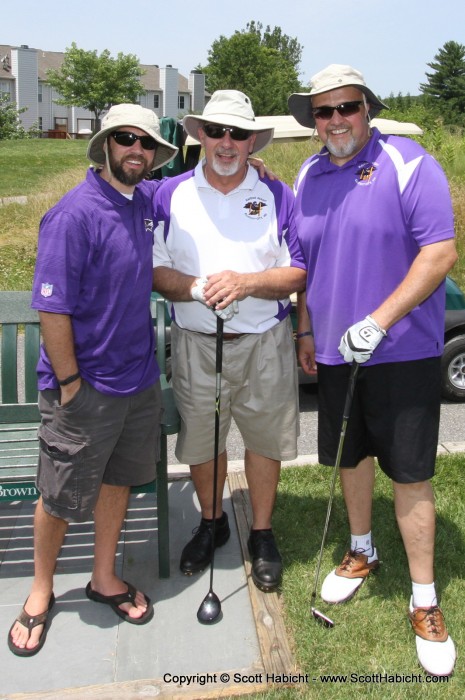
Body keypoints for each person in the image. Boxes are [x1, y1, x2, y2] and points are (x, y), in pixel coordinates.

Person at [289, 64, 457, 676]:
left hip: (401, 352)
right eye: (323, 112)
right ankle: (361, 551)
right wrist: (307, 330)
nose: (335, 120)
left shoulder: (411, 163)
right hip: (335, 353)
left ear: (368, 108)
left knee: (410, 473)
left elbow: (439, 253)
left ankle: (424, 598)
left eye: (347, 108)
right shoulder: (308, 173)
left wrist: (379, 320)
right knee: (350, 457)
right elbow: (303, 264)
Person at [8, 104, 179, 656]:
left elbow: (197, 182)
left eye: (147, 143)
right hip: (84, 390)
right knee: (58, 497)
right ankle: (40, 593)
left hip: (137, 382)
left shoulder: (143, 200)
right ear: (106, 144)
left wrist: (256, 171)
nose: (138, 150)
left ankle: (103, 577)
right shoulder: (72, 215)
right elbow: (51, 311)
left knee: (117, 483)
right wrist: (72, 383)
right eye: (126, 139)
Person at [152, 90, 306, 592]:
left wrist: (246, 283)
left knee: (264, 441)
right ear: (200, 135)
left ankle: (261, 532)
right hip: (196, 341)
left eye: (238, 134)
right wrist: (197, 288)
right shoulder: (168, 193)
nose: (226, 142)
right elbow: (152, 268)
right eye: (216, 131)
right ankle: (212, 521)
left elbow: (297, 271)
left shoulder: (278, 195)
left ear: (251, 142)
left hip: (265, 339)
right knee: (203, 439)